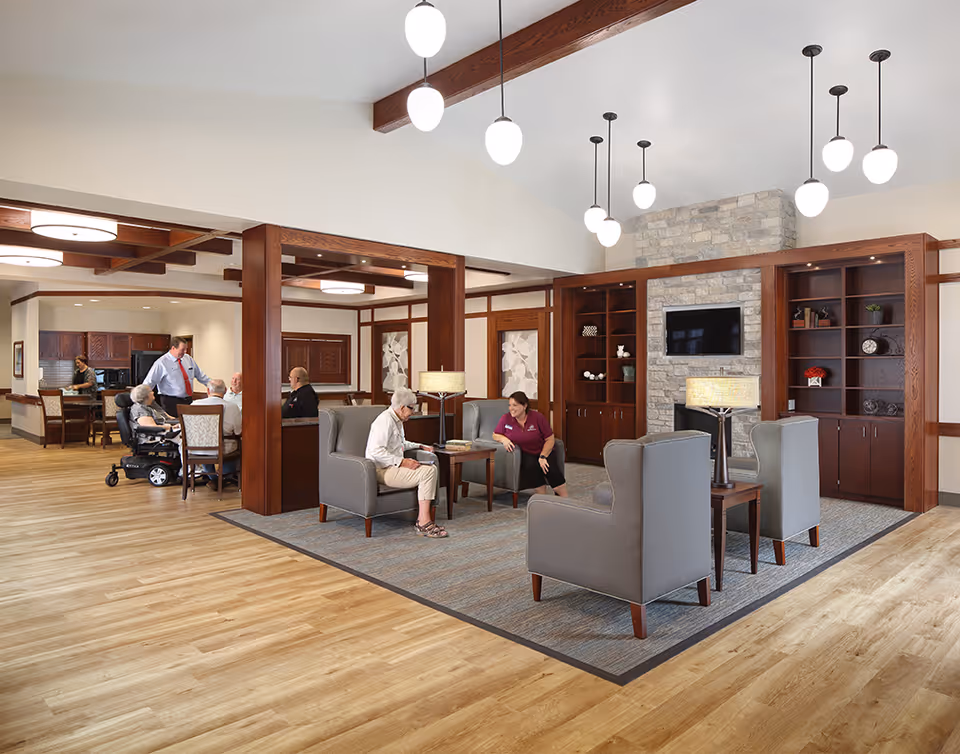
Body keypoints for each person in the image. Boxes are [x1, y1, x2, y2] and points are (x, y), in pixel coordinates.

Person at [365, 387, 446, 538]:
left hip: (392, 467)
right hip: (381, 470)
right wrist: (401, 462)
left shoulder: (397, 420)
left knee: (431, 469)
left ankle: (423, 519)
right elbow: (376, 451)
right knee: (428, 472)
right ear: (402, 407)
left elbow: (400, 444)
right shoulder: (384, 421)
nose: (413, 412)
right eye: (411, 409)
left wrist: (420, 446)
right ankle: (423, 522)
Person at [492, 391, 568, 498]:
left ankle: (564, 498)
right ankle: (543, 499)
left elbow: (550, 439)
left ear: (524, 406)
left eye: (515, 405)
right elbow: (495, 435)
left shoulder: (537, 417)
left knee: (550, 469)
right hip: (526, 453)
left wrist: (543, 456)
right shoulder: (506, 418)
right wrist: (504, 439)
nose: (511, 408)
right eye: (509, 405)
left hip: (543, 450)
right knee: (532, 467)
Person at [190, 378, 242, 488]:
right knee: (237, 448)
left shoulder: (194, 404)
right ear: (225, 390)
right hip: (223, 447)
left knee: (206, 445)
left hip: (197, 447)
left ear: (208, 391)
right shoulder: (232, 407)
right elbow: (238, 431)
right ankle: (223, 477)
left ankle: (214, 479)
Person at [142, 336, 210, 417]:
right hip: (170, 401)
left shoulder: (188, 359)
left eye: (186, 349)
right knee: (175, 425)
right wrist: (143, 401)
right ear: (173, 348)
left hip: (188, 400)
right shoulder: (161, 363)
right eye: (182, 350)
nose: (184, 352)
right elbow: (149, 382)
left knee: (188, 424)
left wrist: (214, 386)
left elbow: (201, 376)